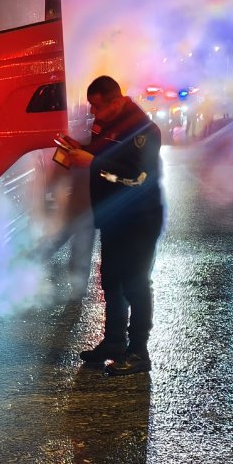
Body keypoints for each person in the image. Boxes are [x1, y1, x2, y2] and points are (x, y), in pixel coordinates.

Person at [65, 75, 163, 376]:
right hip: (114, 218)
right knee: (111, 280)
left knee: (135, 284)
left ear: (117, 102)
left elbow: (138, 178)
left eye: (98, 106)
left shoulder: (143, 131)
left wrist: (92, 163)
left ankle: (138, 353)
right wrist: (80, 148)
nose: (94, 114)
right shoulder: (109, 124)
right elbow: (102, 152)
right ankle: (114, 341)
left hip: (139, 219)